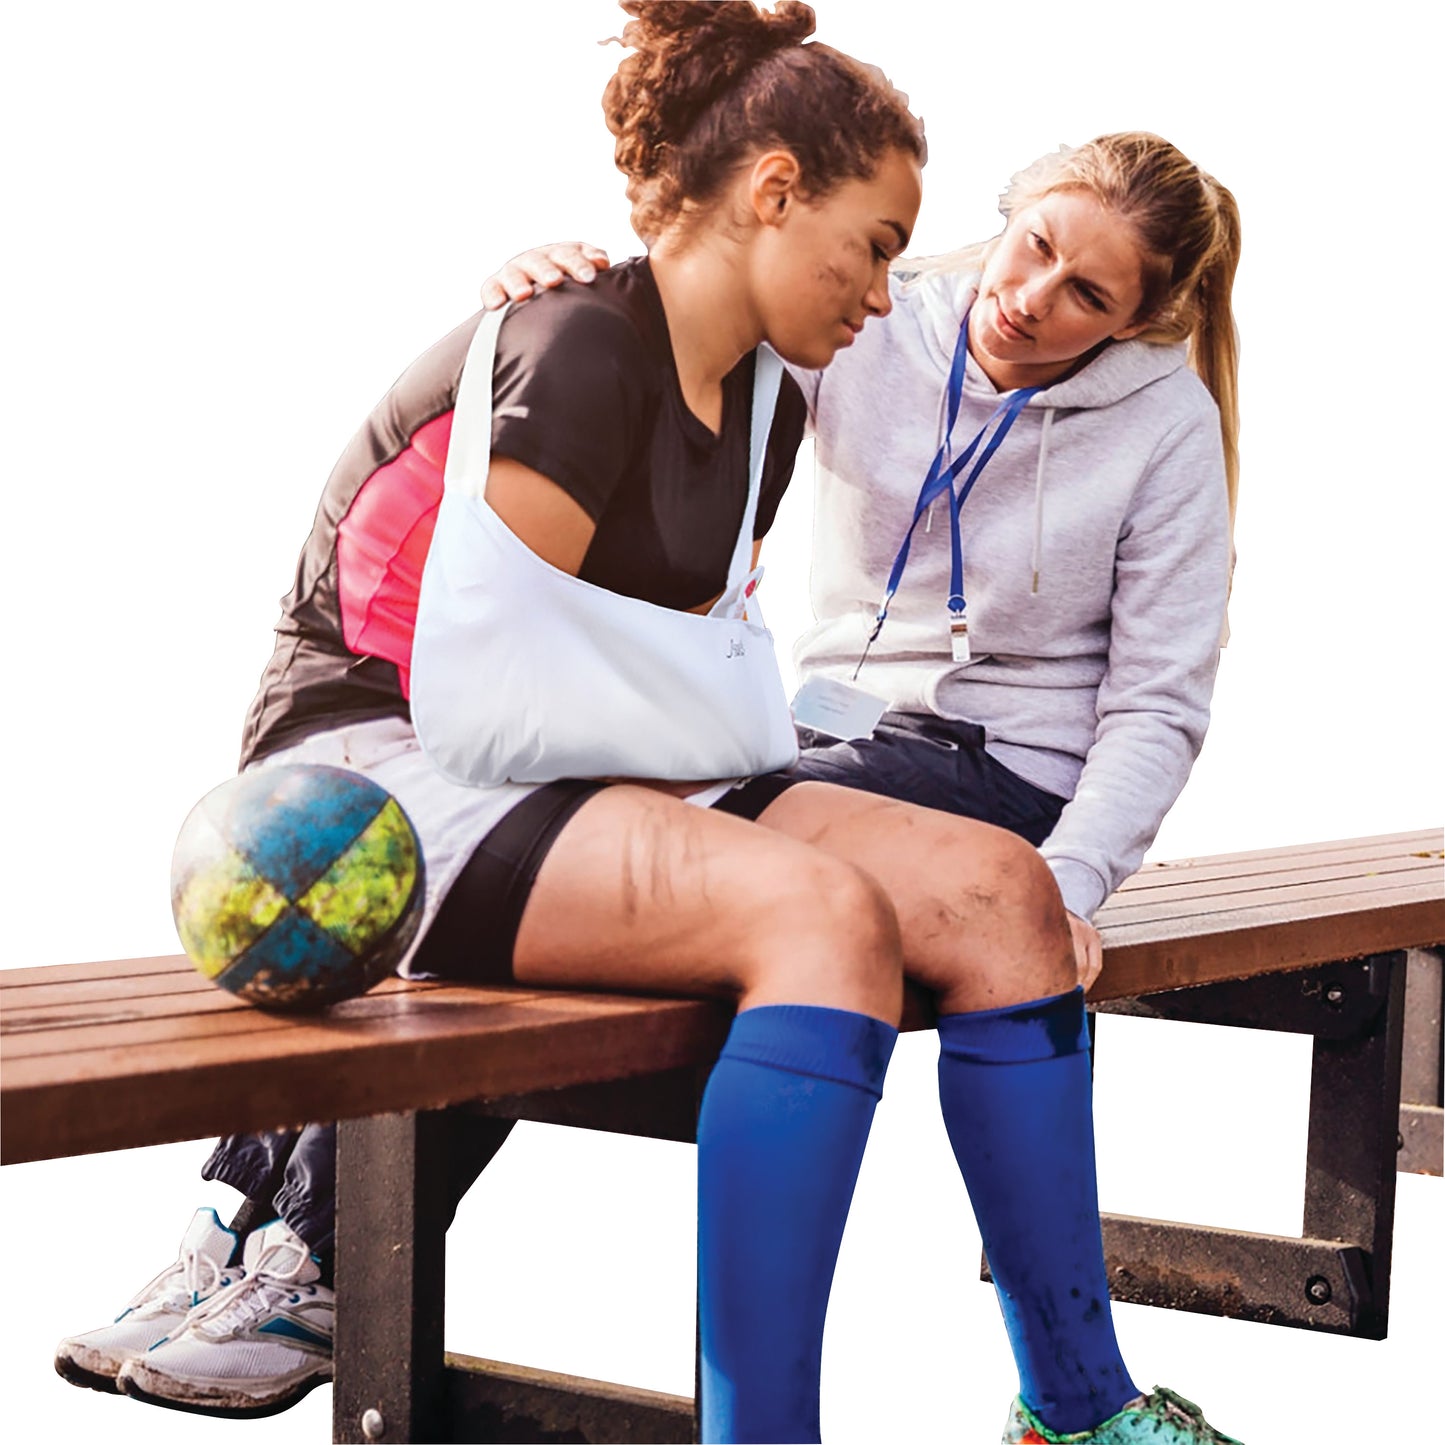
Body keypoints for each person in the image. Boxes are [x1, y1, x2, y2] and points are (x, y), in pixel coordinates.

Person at [47, 6, 1162, 1443]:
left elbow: (652, 691)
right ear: (771, 193)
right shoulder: (574, 345)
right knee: (816, 915)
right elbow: (486, 695)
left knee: (995, 891)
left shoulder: (764, 401)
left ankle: (1079, 1412)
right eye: (875, 242)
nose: (888, 293)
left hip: (586, 766)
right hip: (368, 780)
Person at [476, 128, 1244, 1445]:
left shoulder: (1164, 423)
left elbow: (1156, 702)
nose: (1032, 297)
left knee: (615, 849)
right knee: (577, 846)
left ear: (1139, 321)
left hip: (1005, 775)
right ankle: (294, 1232)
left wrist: (1068, 880)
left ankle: (295, 1239)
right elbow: (693, 348)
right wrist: (565, 288)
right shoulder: (878, 323)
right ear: (1005, 213)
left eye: (1086, 296)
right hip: (817, 741)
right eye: (1034, 247)